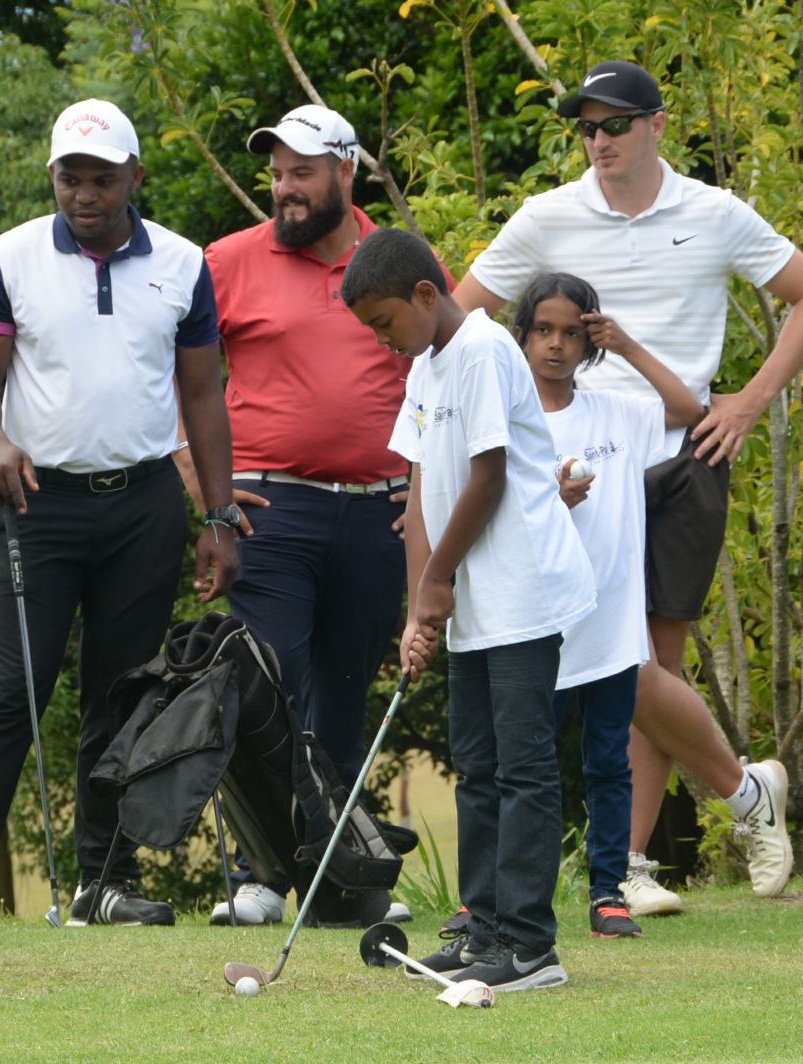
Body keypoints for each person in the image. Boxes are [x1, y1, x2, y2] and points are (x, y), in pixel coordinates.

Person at [454, 60, 803, 912]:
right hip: (584, 469)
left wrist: (750, 399)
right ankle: (745, 793)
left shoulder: (711, 212)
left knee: (648, 666)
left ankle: (625, 865)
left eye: (616, 125)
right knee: (622, 669)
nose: (600, 142)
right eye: (587, 128)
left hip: (686, 453)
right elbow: (459, 313)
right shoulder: (547, 216)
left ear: (657, 126)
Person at [0, 98, 240, 930]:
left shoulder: (181, 264)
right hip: (38, 502)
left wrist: (220, 517)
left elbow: (203, 393)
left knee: (124, 695)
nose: (85, 195)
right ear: (54, 179)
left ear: (134, 177)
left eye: (102, 178)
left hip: (142, 502)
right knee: (12, 691)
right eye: (70, 178)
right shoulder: (10, 258)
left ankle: (101, 883)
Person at [344, 226, 597, 992]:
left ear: (426, 294)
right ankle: (484, 928)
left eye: (386, 323)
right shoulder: (425, 368)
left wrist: (440, 580)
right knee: (479, 769)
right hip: (470, 603)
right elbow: (422, 489)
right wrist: (420, 606)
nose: (385, 342)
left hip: (522, 589)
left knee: (523, 770)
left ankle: (529, 948)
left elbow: (487, 476)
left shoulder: (486, 350)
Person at [183, 105, 417, 927]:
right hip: (269, 508)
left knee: (342, 703)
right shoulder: (227, 262)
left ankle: (335, 877)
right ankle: (263, 875)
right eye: (277, 174)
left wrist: (424, 490)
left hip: (375, 513)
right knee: (265, 690)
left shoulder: (396, 257)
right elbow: (178, 374)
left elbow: (438, 371)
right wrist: (196, 476)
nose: (283, 189)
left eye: (301, 173)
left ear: (345, 173)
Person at [512, 272, 703, 939]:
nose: (556, 346)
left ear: (588, 341)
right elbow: (493, 514)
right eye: (543, 331)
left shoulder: (615, 413)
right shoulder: (510, 420)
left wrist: (625, 347)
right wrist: (549, 506)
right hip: (535, 623)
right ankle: (511, 900)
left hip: (610, 628)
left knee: (608, 762)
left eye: (571, 333)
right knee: (527, 767)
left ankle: (607, 894)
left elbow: (689, 409)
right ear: (523, 335)